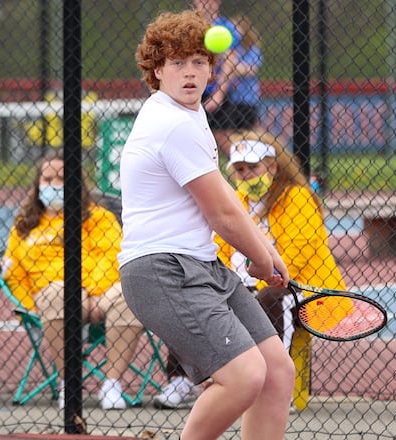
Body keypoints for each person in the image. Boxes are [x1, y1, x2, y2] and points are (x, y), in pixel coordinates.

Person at [119, 10, 294, 440]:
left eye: (199, 62)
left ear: (212, 68)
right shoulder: (170, 123)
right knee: (244, 376)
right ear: (157, 70)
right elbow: (222, 213)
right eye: (178, 63)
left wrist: (266, 251)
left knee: (276, 371)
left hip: (201, 266)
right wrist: (261, 258)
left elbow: (225, 200)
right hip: (161, 272)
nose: (191, 72)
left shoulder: (191, 114)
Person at [153, 130, 347, 410]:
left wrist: (262, 280)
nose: (246, 175)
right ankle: (183, 381)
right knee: (192, 294)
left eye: (253, 167)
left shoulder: (298, 197)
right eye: (240, 169)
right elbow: (216, 246)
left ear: (273, 166)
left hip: (298, 286)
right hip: (240, 283)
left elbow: (299, 253)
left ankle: (278, 388)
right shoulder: (234, 200)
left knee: (271, 298)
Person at [1, 149, 143, 410]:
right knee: (57, 293)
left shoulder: (97, 216)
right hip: (49, 300)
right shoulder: (25, 224)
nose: (54, 185)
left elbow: (111, 256)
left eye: (61, 179)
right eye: (47, 179)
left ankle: (111, 385)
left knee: (129, 295)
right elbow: (13, 273)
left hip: (100, 296)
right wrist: (26, 306)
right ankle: (70, 384)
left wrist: (89, 293)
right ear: (37, 185)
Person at [205, 13, 263, 157]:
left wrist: (228, 62)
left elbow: (250, 69)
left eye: (238, 29)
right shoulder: (232, 50)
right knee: (229, 133)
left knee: (248, 133)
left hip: (247, 100)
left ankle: (251, 158)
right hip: (234, 99)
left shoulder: (252, 50)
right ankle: (245, 158)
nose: (235, 32)